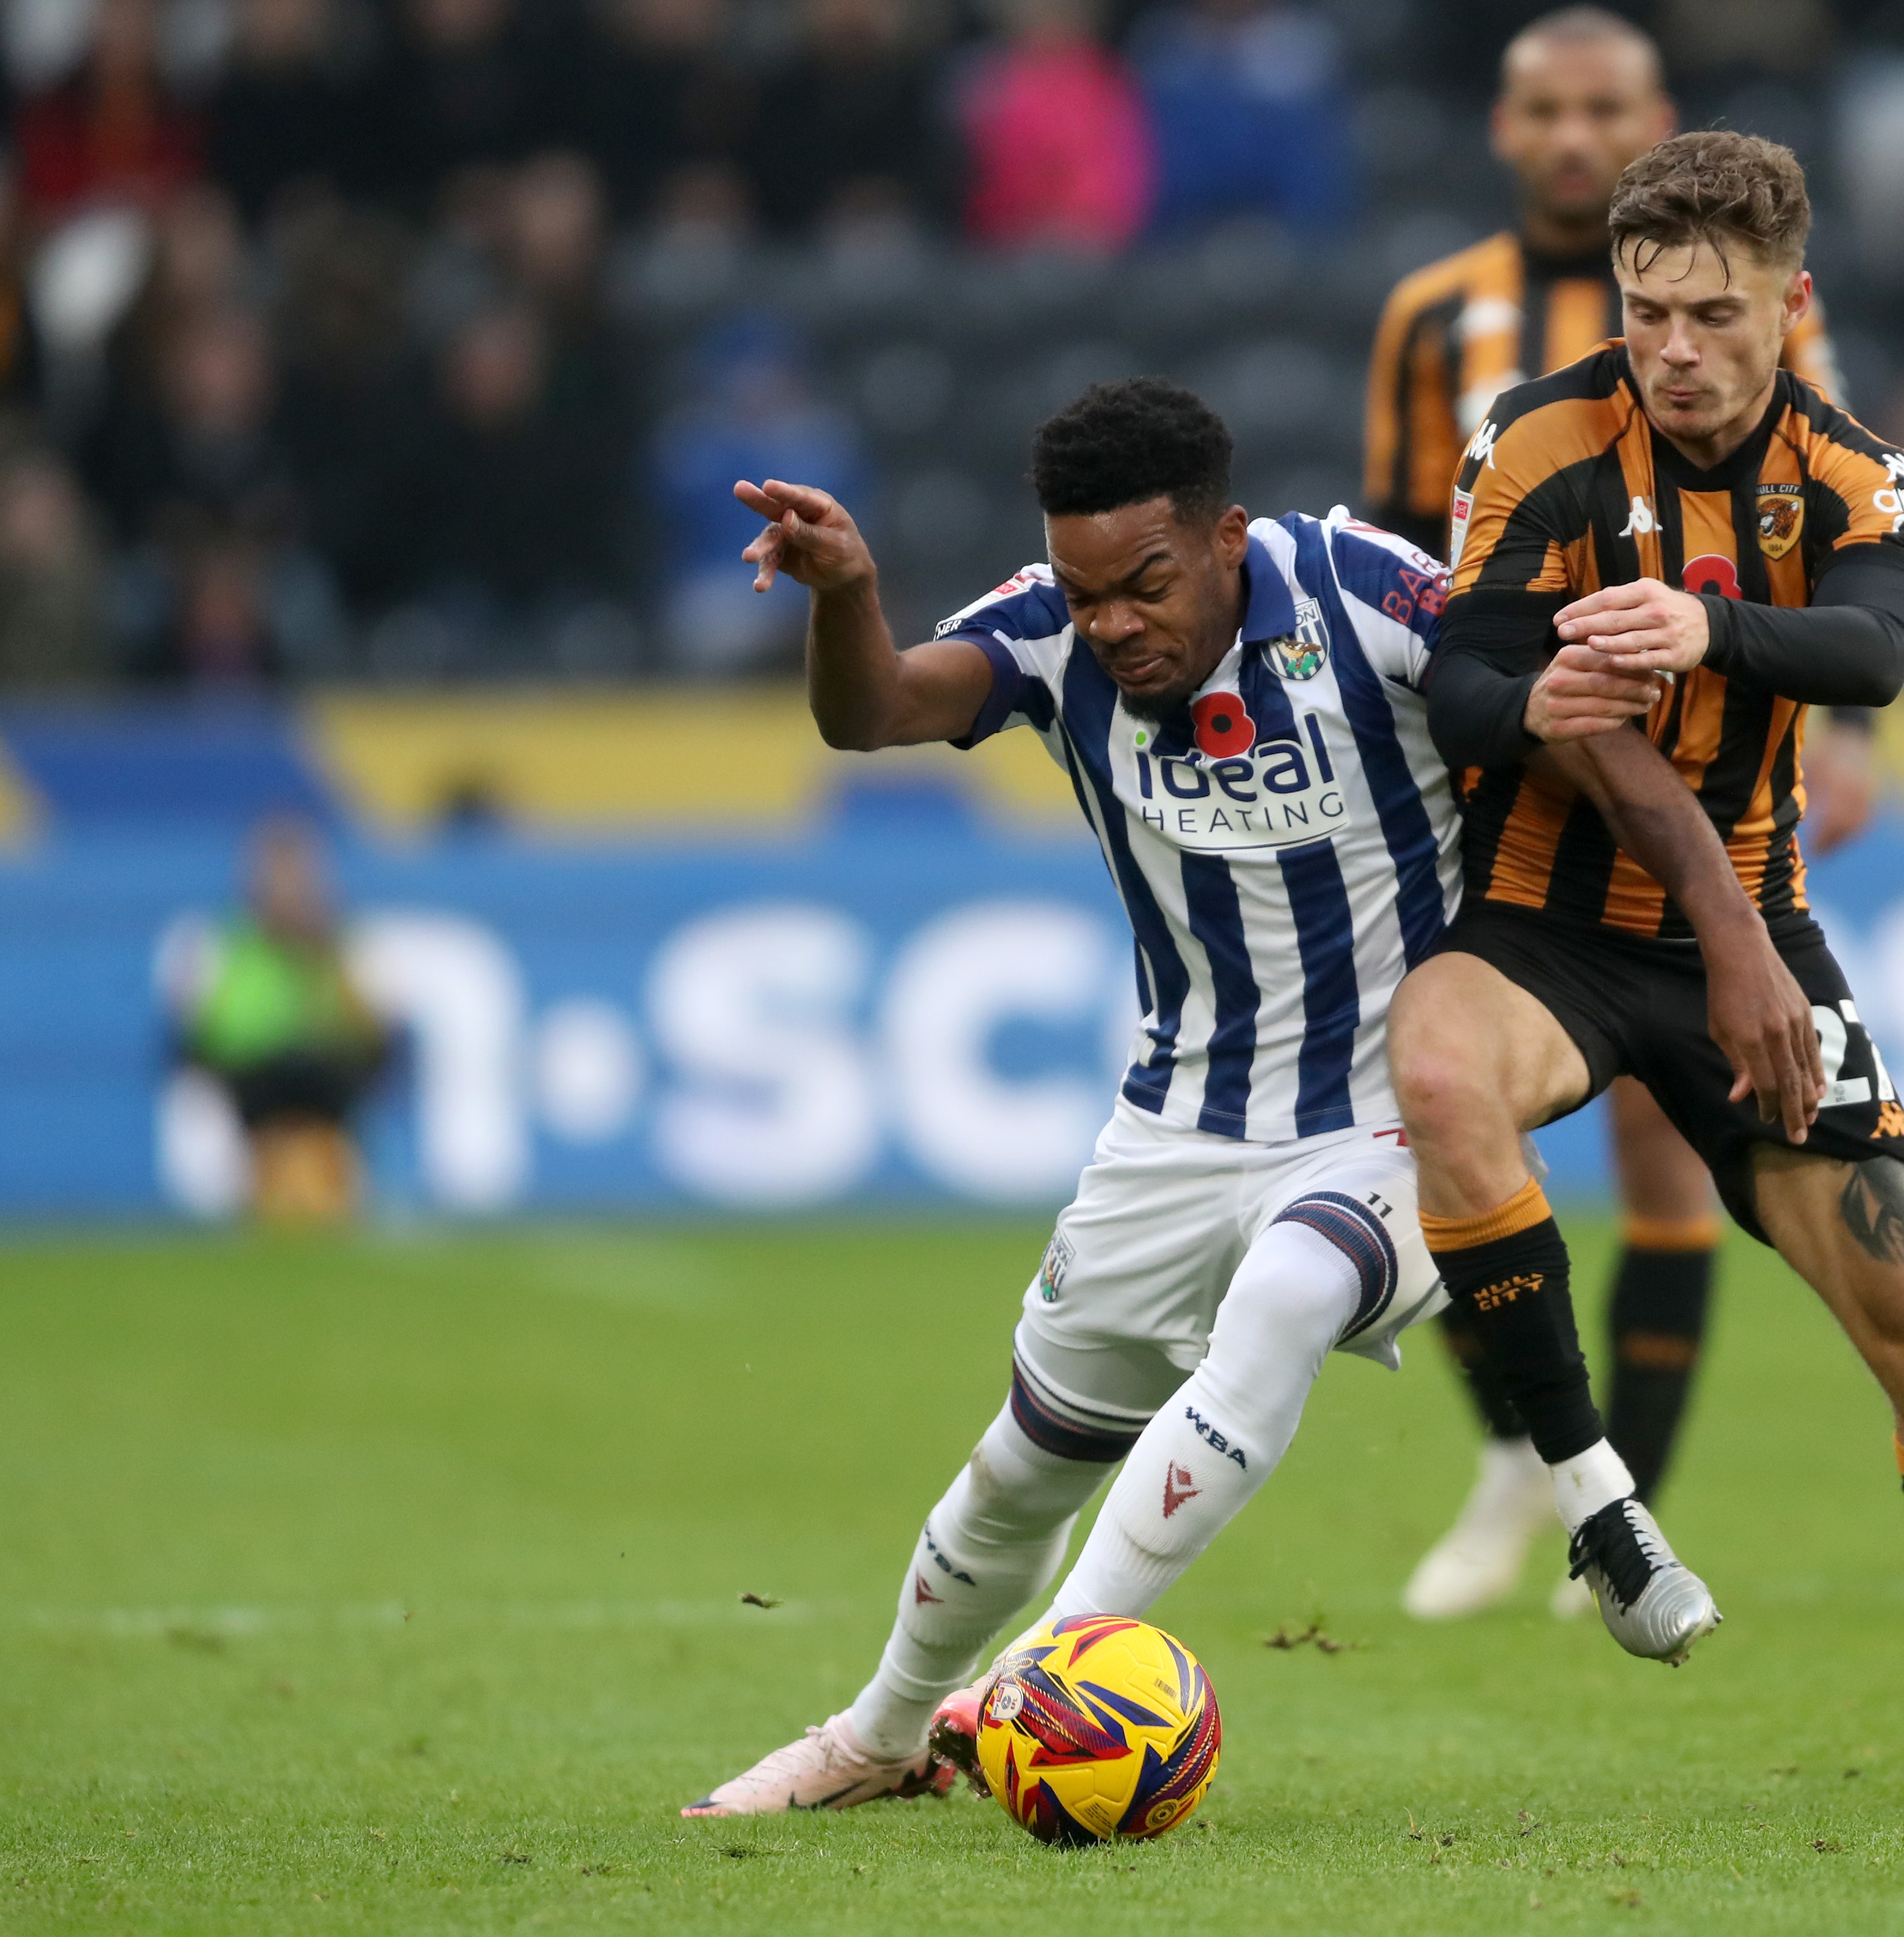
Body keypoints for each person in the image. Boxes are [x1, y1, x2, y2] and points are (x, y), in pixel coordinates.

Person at [684, 378, 1782, 1815]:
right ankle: (881, 1736)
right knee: (1025, 1466)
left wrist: (1737, 933)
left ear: (1225, 542)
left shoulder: (1364, 591)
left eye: (1144, 585)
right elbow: (876, 709)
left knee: (1286, 1297)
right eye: (1089, 598)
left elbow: (1592, 742)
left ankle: (1036, 1686)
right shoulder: (1044, 630)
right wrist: (850, 595)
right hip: (1178, 1124)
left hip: (1404, 1109)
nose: (1115, 624)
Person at [1393, 130, 1904, 1801]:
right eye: (1644, 311)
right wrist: (1531, 696)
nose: (1672, 349)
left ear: (1790, 303)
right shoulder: (1539, 438)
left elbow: (1879, 652)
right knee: (1440, 1069)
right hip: (1542, 928)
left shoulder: (1853, 471)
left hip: (1747, 949)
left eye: (1711, 312)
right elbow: (1456, 673)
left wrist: (1704, 629)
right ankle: (1597, 1502)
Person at [1362, 3, 1879, 1623]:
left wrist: (1838, 739)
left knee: (1669, 1152)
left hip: (1696, 785)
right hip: (1497, 764)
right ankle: (1531, 1453)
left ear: (1652, 122)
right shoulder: (1436, 318)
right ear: (1505, 130)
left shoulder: (1762, 322)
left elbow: (1833, 518)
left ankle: (1618, 1518)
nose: (1574, 137)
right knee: (1435, 1131)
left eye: (1606, 110)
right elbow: (1390, 558)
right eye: (1544, 110)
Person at [172, 817, 390, 1224]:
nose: (287, 886)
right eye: (278, 872)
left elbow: (372, 1025)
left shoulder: (339, 939)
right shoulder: (227, 938)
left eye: (296, 872)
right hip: (253, 1068)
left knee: (337, 1076)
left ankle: (335, 1187)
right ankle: (264, 1187)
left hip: (325, 1066)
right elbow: (200, 1026)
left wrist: (324, 961)